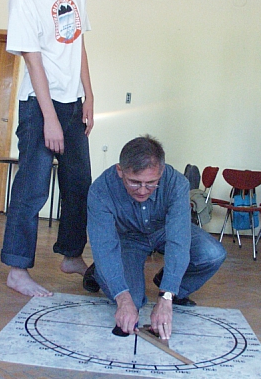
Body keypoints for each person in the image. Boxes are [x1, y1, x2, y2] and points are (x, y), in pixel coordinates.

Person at [1, 0, 94, 297]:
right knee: (33, 186)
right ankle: (17, 268)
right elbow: (32, 59)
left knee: (80, 183)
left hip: (73, 103)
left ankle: (71, 254)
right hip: (39, 105)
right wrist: (50, 119)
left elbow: (78, 45)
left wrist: (89, 95)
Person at [85, 135, 226, 339]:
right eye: (134, 182)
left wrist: (167, 296)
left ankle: (170, 285)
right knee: (132, 300)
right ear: (120, 171)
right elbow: (104, 245)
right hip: (127, 239)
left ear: (162, 171)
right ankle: (100, 272)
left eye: (151, 183)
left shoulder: (177, 183)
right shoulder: (100, 189)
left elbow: (179, 241)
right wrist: (123, 298)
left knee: (212, 254)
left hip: (164, 231)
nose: (143, 191)